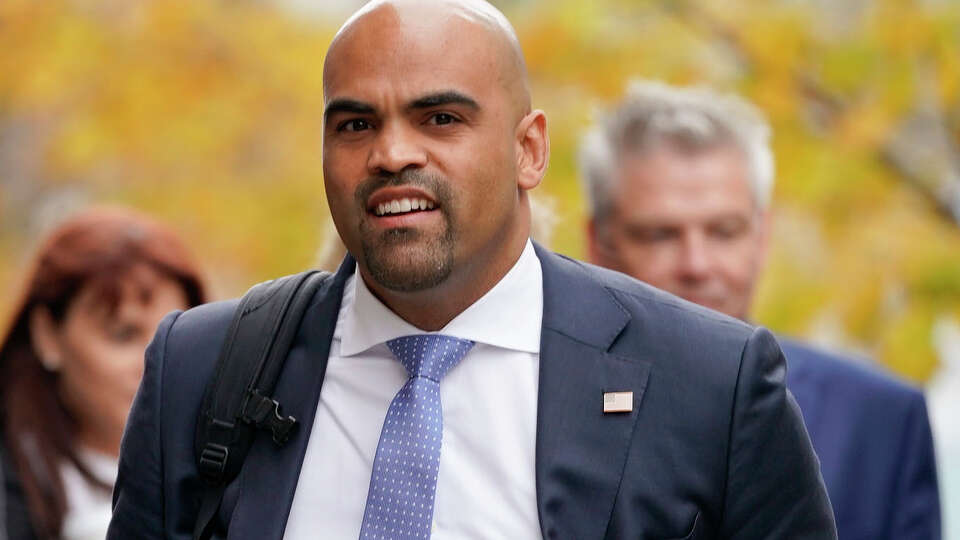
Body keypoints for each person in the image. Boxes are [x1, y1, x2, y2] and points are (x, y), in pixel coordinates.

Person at [108, 1, 836, 538]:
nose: (392, 154)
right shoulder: (201, 369)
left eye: (440, 119)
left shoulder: (711, 383)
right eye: (355, 124)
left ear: (530, 151)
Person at [579, 79, 940, 539]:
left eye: (724, 231)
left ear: (762, 236)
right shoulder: (542, 400)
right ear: (598, 243)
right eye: (660, 235)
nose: (697, 264)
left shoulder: (880, 421)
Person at [0, 208, 207, 540]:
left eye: (179, 339)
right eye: (123, 334)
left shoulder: (233, 475)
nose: (157, 363)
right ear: (47, 335)